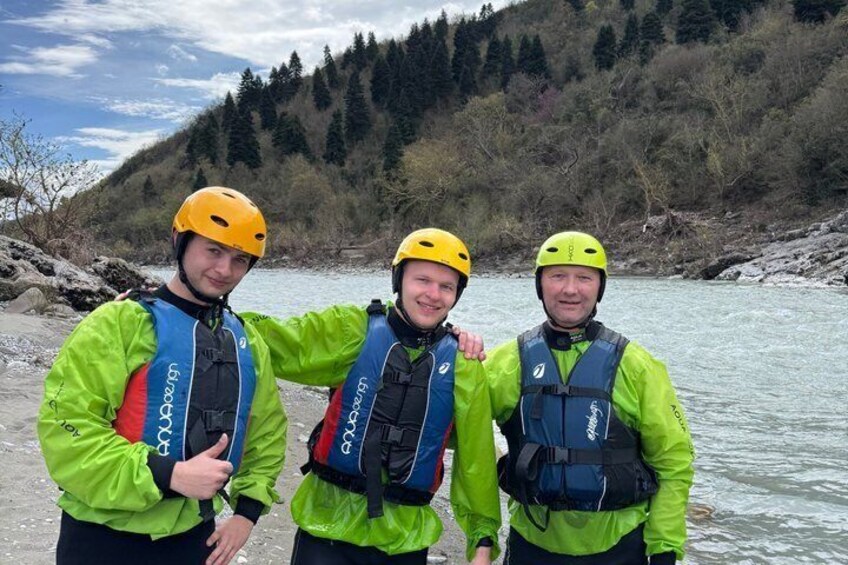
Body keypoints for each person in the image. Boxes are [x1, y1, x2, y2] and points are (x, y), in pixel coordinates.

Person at [37, 186, 287, 565]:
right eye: (213, 251)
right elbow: (66, 429)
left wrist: (246, 513)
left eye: (240, 259)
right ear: (180, 242)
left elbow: (266, 434)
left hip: (192, 534)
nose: (225, 270)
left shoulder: (246, 340)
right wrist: (170, 474)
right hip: (100, 532)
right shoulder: (118, 322)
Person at [242, 228, 501, 564]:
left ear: (457, 295)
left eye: (446, 287)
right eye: (422, 280)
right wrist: (211, 313)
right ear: (399, 280)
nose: (433, 295)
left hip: (405, 537)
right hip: (326, 526)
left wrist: (482, 536)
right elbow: (274, 340)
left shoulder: (464, 364)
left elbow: (476, 458)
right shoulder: (351, 331)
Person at [485, 231, 695, 565]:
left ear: (600, 287)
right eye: (558, 276)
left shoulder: (638, 367)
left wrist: (665, 548)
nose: (570, 289)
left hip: (620, 547)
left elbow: (673, 462)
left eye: (584, 278)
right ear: (540, 285)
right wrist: (452, 350)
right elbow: (452, 432)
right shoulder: (505, 363)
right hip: (532, 544)